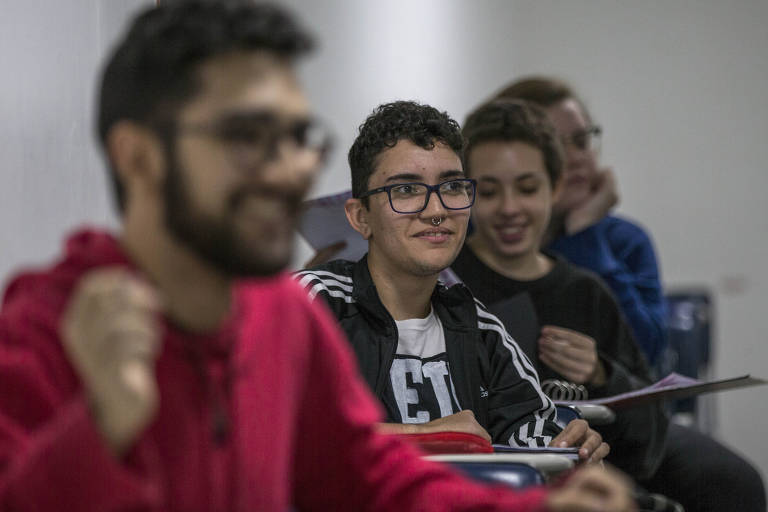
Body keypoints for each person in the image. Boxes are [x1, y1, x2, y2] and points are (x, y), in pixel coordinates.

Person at [0, 2, 636, 511]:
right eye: (248, 138)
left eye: (297, 137)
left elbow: (372, 482)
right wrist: (98, 428)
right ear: (139, 156)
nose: (288, 172)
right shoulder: (48, 324)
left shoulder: (281, 317)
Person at [451, 98, 765, 512]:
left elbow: (648, 431)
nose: (510, 209)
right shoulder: (447, 281)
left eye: (528, 188)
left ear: (556, 186)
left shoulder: (586, 292)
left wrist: (601, 373)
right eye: (488, 192)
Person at [296, 100, 608, 464]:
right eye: (406, 191)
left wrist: (571, 448)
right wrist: (429, 437)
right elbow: (261, 427)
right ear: (360, 216)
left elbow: (534, 438)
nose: (436, 210)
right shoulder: (313, 304)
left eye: (453, 187)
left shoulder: (482, 332)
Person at [494, 77, 666, 366]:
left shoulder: (625, 241)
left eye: (582, 140)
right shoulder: (481, 236)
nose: (575, 158)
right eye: (553, 144)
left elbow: (644, 354)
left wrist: (584, 233)